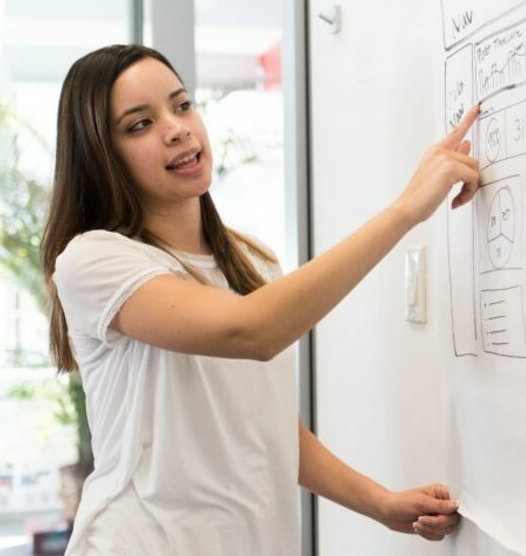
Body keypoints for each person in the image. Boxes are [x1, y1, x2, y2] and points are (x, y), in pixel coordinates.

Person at [41, 44, 480, 554]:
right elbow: (252, 331)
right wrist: (407, 209)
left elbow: (265, 430)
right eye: (140, 124)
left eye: (181, 105)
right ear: (101, 155)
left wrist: (379, 503)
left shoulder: (251, 262)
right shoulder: (93, 260)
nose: (177, 128)